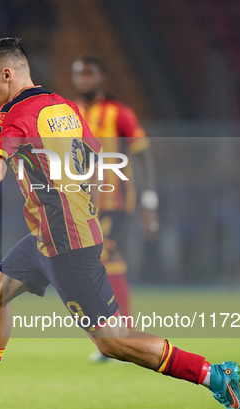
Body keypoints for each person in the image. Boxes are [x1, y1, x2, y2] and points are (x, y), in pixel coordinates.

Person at [0, 37, 240, 409]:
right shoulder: (62, 106)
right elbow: (91, 158)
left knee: (113, 342)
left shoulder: (11, 114)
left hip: (64, 244)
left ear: (7, 73)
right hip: (51, 235)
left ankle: (212, 374)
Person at [71, 56, 158, 326]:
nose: (84, 79)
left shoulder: (118, 113)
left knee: (106, 254)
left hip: (114, 200)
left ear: (101, 77)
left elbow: (143, 156)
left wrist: (149, 201)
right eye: (79, 74)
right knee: (92, 262)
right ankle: (117, 330)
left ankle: (122, 330)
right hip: (80, 201)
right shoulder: (69, 112)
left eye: (90, 74)